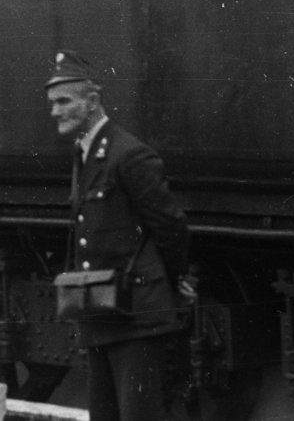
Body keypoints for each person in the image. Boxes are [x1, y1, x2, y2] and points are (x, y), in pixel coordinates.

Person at [46, 50, 193, 421]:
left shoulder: (128, 154)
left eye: (64, 101)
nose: (55, 112)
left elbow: (169, 225)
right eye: (52, 103)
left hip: (135, 315)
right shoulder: (87, 152)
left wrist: (173, 278)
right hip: (102, 312)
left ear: (92, 101)